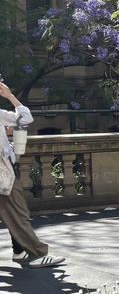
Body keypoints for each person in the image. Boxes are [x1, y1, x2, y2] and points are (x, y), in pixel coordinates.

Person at [0, 81, 64, 268]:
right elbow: (26, 118)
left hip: (6, 170)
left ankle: (19, 251)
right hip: (4, 174)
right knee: (18, 212)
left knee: (12, 211)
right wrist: (10, 96)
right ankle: (37, 254)